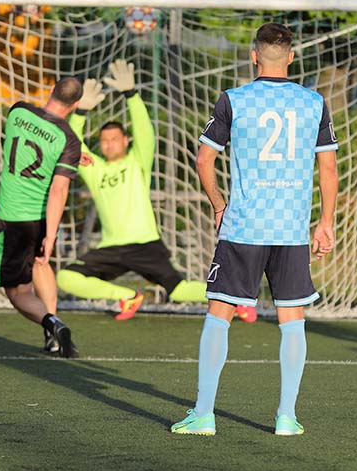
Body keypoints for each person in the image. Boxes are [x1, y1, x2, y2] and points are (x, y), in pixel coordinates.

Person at [171, 22, 338, 437]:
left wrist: (218, 204)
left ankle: (204, 415)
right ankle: (286, 417)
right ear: (293, 57)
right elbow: (328, 166)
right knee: (292, 319)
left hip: (244, 225)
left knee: (219, 314)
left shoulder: (234, 99)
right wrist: (326, 222)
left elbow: (203, 160)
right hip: (292, 228)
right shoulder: (313, 102)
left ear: (254, 56)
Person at [56, 59, 254, 322]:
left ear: (126, 141)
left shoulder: (137, 161)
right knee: (66, 277)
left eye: (115, 139)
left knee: (180, 290)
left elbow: (145, 132)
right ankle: (126, 296)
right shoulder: (94, 169)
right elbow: (72, 145)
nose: (109, 144)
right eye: (104, 141)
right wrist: (79, 114)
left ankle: (235, 298)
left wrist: (131, 96)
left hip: (145, 245)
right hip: (111, 248)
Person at [0, 77, 83, 358]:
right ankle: (52, 335)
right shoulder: (69, 140)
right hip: (39, 218)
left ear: (51, 89)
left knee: (16, 293)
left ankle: (51, 323)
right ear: (77, 105)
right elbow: (58, 190)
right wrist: (51, 235)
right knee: (41, 264)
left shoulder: (18, 111)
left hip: (12, 218)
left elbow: (39, 135)